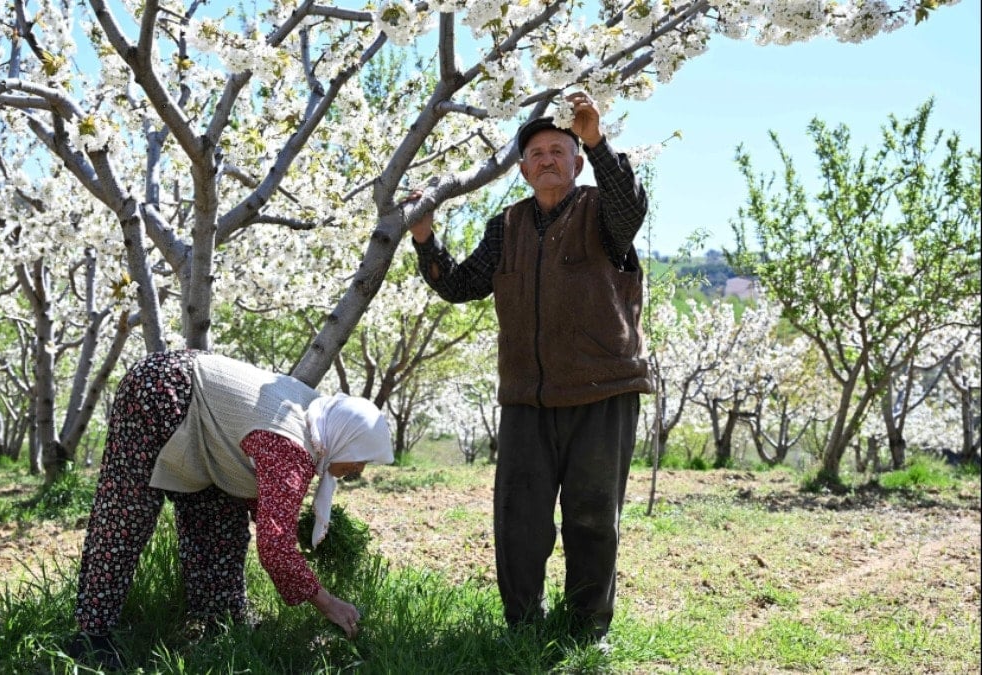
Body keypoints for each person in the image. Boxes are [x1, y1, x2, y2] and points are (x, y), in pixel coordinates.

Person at [407, 91, 651, 645]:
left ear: (577, 161)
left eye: (558, 150)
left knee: (592, 517)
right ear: (521, 168)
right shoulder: (507, 225)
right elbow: (462, 284)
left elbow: (632, 205)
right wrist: (425, 240)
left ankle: (588, 631)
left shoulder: (602, 212)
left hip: (601, 391)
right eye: (536, 153)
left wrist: (596, 136)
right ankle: (522, 626)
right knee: (518, 519)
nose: (546, 159)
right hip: (526, 398)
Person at [68, 349, 393, 668]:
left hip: (208, 424)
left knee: (219, 520)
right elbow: (275, 550)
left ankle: (219, 619)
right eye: (361, 457)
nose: (360, 469)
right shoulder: (290, 446)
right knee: (126, 516)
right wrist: (327, 603)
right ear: (345, 439)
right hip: (162, 391)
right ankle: (91, 635)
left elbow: (264, 498)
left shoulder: (321, 418)